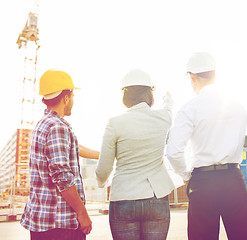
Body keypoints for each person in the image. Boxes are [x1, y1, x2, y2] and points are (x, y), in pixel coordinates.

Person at [166, 52, 247, 240]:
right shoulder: (238, 106)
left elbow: (174, 151)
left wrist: (185, 176)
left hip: (203, 182)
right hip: (234, 178)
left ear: (192, 78)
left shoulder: (190, 108)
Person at [95, 69, 175, 240]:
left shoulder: (114, 123)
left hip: (124, 198)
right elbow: (168, 109)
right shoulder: (163, 118)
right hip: (156, 197)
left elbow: (104, 169)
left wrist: (101, 183)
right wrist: (167, 99)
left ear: (125, 96)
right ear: (149, 95)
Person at [20, 69, 100, 240]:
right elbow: (62, 176)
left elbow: (73, 148)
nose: (73, 101)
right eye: (72, 97)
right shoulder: (58, 127)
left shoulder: (43, 124)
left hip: (43, 222)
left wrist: (103, 155)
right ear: (66, 98)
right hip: (59, 225)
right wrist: (82, 213)